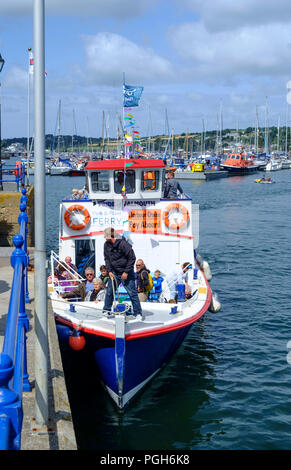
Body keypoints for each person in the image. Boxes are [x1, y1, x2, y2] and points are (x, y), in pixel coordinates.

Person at [103, 227, 142, 316]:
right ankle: (106, 310)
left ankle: (138, 312)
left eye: (105, 236)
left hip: (126, 272)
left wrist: (126, 272)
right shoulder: (106, 245)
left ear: (110, 236)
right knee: (109, 292)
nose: (104, 237)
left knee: (132, 293)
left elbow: (132, 258)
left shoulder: (123, 243)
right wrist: (109, 271)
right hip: (114, 272)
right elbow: (107, 259)